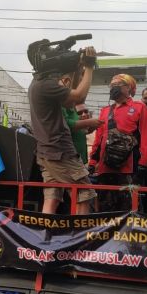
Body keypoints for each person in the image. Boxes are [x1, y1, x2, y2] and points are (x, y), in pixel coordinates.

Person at [28, 40, 97, 215]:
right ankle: (80, 237)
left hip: (47, 152)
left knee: (52, 197)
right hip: (60, 151)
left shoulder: (38, 83)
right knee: (84, 194)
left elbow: (68, 100)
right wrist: (89, 67)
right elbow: (79, 96)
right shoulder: (47, 85)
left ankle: (46, 235)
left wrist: (76, 69)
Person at [89, 74, 147, 212]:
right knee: (104, 208)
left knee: (130, 208)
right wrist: (93, 162)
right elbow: (99, 139)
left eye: (118, 84)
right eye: (111, 85)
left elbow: (146, 138)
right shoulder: (105, 111)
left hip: (129, 168)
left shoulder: (140, 108)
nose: (113, 87)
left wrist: (143, 164)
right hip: (105, 167)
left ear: (129, 88)